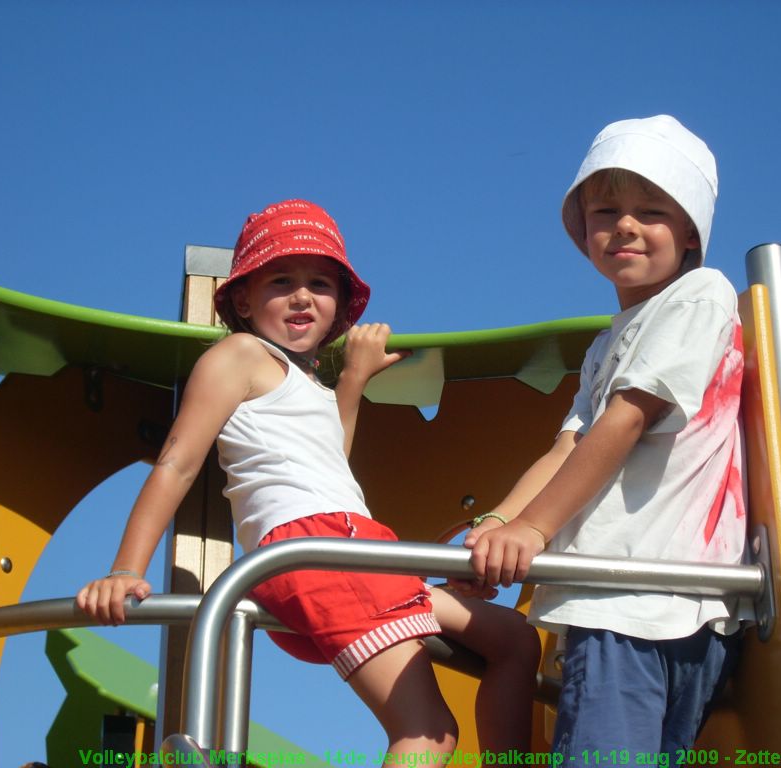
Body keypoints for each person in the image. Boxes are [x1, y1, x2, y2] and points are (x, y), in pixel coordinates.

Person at [77, 200, 539, 762]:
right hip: (320, 551)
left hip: (356, 547)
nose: (302, 295)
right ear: (243, 299)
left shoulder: (310, 389)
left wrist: (351, 380)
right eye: (281, 280)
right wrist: (126, 567)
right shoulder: (240, 355)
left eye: (320, 283)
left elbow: (331, 460)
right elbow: (176, 461)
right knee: (427, 731)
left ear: (340, 304)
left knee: (514, 640)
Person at [463, 116, 748, 762]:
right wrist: (500, 522)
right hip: (638, 606)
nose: (624, 225)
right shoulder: (606, 345)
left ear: (690, 233)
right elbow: (567, 446)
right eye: (606, 209)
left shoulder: (699, 295)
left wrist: (533, 531)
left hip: (632, 601)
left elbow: (626, 421)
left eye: (651, 211)